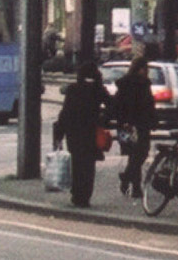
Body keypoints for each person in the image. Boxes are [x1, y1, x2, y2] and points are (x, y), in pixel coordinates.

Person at [51, 63, 110, 208]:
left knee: (77, 163)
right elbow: (112, 105)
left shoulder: (73, 89)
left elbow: (65, 112)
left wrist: (59, 133)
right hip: (90, 131)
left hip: (74, 132)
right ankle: (85, 195)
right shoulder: (98, 90)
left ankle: (77, 194)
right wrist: (103, 118)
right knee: (89, 165)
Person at [112, 43, 160, 198]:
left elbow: (119, 104)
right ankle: (133, 184)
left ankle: (129, 179)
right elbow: (146, 104)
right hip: (137, 124)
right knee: (139, 153)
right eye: (145, 68)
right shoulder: (139, 84)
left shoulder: (126, 84)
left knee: (136, 154)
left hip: (130, 124)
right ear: (141, 69)